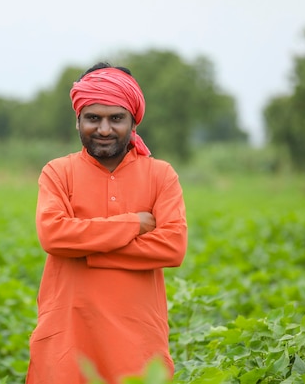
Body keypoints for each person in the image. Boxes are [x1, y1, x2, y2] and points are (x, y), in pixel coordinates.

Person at [25, 62, 188, 384]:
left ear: (133, 122)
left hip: (137, 343)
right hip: (67, 339)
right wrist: (132, 224)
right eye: (93, 118)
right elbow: (54, 236)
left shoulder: (160, 175)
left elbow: (172, 247)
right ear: (78, 121)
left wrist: (88, 250)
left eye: (116, 118)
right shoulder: (58, 172)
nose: (103, 129)